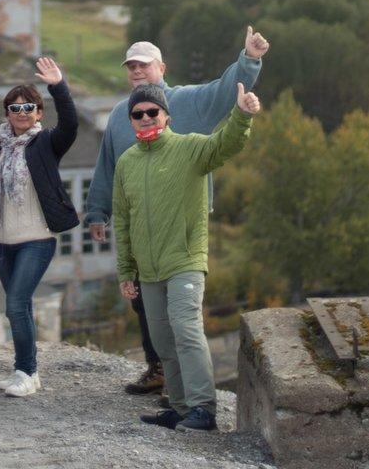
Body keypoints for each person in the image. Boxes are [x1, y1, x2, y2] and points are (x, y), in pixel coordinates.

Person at [84, 28, 269, 395]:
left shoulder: (188, 102)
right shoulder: (121, 116)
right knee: (143, 300)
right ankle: (159, 370)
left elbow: (224, 88)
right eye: (131, 66)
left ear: (162, 67)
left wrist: (249, 59)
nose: (137, 71)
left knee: (181, 308)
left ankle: (195, 395)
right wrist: (96, 212)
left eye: (144, 65)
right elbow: (107, 168)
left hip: (182, 220)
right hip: (139, 222)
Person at [115, 82, 259, 433]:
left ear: (166, 115)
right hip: (148, 270)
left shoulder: (190, 149)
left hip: (185, 261)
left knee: (186, 329)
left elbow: (226, 144)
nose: (146, 118)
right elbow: (122, 219)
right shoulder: (127, 163)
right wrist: (126, 271)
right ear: (131, 121)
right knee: (163, 341)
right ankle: (180, 409)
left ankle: (203, 410)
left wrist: (242, 115)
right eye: (139, 114)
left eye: (153, 112)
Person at [0, 56, 78, 398]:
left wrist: (57, 86)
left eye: (28, 107)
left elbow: (70, 123)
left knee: (16, 303)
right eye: (14, 107)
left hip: (36, 240)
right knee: (18, 305)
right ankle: (25, 370)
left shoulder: (45, 144)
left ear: (39, 112)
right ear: (6, 113)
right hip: (1, 241)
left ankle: (28, 372)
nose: (21, 113)